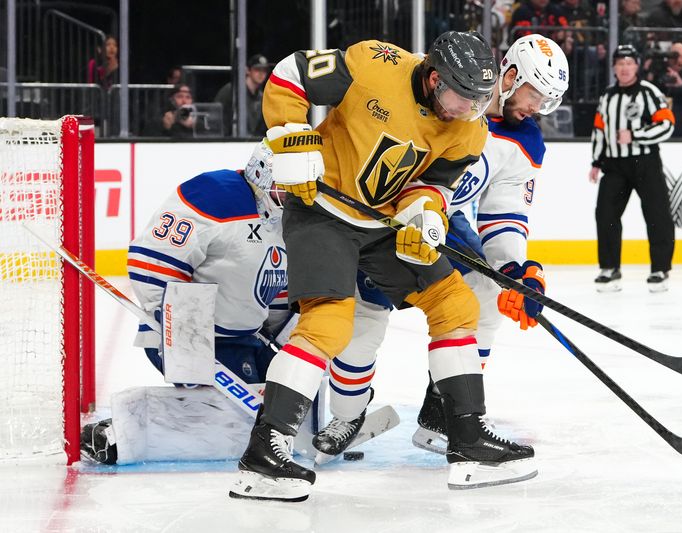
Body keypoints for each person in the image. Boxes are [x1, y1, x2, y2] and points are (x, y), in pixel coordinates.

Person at [230, 31, 537, 502]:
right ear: (435, 79)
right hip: (321, 211)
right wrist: (290, 138)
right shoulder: (374, 63)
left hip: (382, 225)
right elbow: (290, 75)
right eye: (461, 98)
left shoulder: (469, 127)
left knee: (454, 301)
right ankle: (264, 453)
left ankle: (467, 440)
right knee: (330, 323)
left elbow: (432, 185)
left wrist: (424, 216)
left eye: (478, 102)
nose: (468, 112)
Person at [312, 34, 569, 461]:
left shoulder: (524, 141)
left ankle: (444, 415)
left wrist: (515, 271)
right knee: (362, 326)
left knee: (485, 296)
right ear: (510, 75)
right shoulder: (448, 96)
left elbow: (504, 213)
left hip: (441, 224)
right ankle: (348, 415)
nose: (535, 108)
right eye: (533, 94)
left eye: (545, 101)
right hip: (379, 218)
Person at [79, 141, 304, 465]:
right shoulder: (216, 195)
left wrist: (287, 339)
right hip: (194, 338)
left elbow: (276, 290)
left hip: (244, 340)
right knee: (242, 422)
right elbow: (150, 264)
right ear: (260, 174)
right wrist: (184, 337)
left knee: (289, 402)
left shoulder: (288, 218)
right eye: (284, 188)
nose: (290, 197)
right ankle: (120, 432)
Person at [589, 44, 675, 292]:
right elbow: (599, 130)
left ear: (636, 66)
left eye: (629, 63)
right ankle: (610, 269)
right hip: (615, 165)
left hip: (645, 162)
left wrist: (636, 135)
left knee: (657, 215)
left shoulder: (649, 92)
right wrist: (596, 162)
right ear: (614, 67)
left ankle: (660, 270)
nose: (624, 68)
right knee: (605, 214)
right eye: (620, 63)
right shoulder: (607, 96)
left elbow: (667, 124)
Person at [214, 54, 270, 137]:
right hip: (230, 141)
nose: (261, 73)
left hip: (251, 142)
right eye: (257, 69)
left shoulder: (262, 96)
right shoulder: (231, 90)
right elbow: (216, 116)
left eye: (264, 70)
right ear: (248, 70)